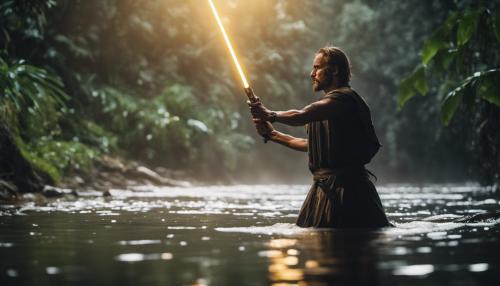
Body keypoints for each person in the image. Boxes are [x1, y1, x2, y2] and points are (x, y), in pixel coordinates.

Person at [248, 46, 390, 228]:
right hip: (322, 190)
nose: (311, 73)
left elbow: (301, 115)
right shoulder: (328, 105)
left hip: (348, 192)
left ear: (335, 70)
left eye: (317, 67)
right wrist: (273, 135)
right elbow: (311, 144)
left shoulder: (344, 99)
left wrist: (271, 115)